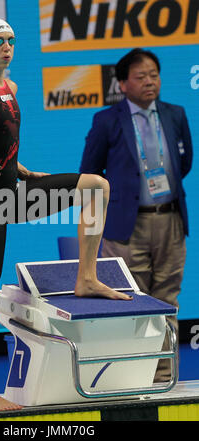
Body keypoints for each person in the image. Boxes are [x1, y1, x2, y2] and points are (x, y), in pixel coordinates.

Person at [0, 18, 132, 412]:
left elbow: (2, 141)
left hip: (16, 194)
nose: (7, 47)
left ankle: (86, 278)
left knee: (96, 187)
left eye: (12, 41)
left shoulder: (11, 88)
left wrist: (22, 170)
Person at [80, 48, 193, 382]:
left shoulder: (176, 114)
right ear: (123, 83)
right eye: (141, 77)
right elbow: (89, 174)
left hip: (170, 220)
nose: (149, 82)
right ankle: (132, 378)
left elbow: (183, 165)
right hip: (127, 225)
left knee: (168, 301)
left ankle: (164, 377)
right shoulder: (106, 120)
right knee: (131, 302)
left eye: (154, 75)